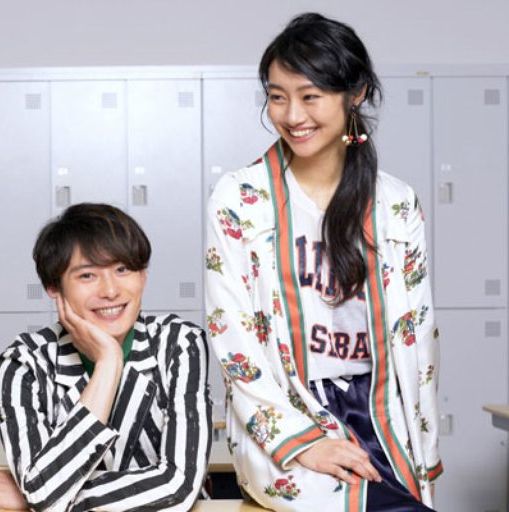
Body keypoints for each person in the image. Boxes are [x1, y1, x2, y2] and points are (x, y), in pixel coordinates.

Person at [205, 13, 441, 512]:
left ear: (355, 94)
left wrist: (424, 444)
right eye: (277, 96)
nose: (293, 115)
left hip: (381, 409)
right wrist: (303, 442)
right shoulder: (240, 199)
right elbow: (232, 335)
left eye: (310, 96)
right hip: (290, 409)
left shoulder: (396, 204)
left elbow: (419, 339)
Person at [0, 203, 212, 511]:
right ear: (53, 287)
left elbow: (178, 486)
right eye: (87, 275)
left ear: (143, 276)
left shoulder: (178, 342)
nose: (111, 291)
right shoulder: (24, 364)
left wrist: (44, 498)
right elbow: (43, 491)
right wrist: (108, 363)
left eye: (123, 270)